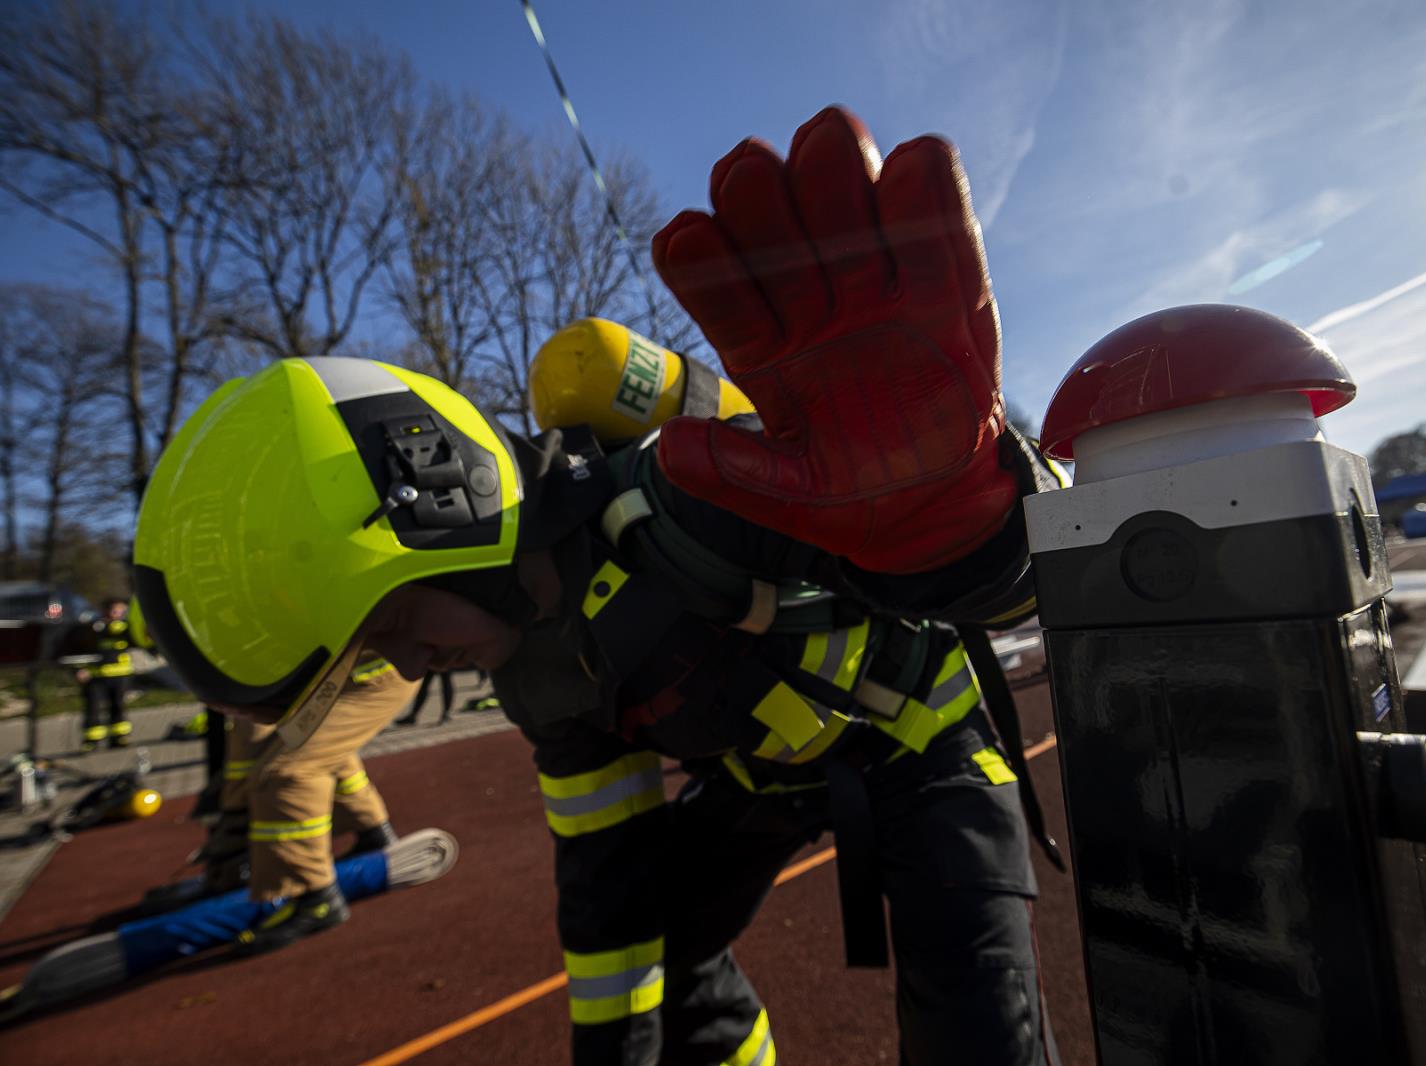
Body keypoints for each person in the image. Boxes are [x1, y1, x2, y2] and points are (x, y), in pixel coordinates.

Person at [133, 107, 1066, 1064]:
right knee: (667, 945)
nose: (409, 667)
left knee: (976, 1031)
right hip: (769, 779)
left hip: (922, 749)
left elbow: (1031, 591)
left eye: (399, 620)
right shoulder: (536, 678)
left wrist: (966, 527)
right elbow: (607, 888)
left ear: (446, 499)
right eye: (379, 652)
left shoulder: (685, 501)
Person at [152, 653, 415, 950]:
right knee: (254, 742)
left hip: (368, 672)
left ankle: (316, 899)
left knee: (288, 773)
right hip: (318, 675)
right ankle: (369, 832)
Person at [76, 597, 134, 750]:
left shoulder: (126, 628)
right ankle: (92, 740)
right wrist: (80, 669)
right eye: (113, 610)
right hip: (96, 676)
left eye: (120, 610)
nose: (115, 613)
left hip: (119, 675)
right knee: (93, 709)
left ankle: (119, 737)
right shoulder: (94, 628)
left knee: (118, 706)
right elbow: (82, 650)